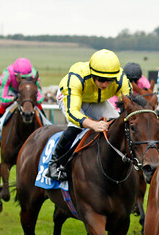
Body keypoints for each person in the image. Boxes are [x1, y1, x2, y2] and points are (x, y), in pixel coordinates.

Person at [45, 49, 131, 181]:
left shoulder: (121, 79)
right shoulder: (76, 78)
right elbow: (73, 113)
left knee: (116, 122)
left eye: (110, 80)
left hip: (97, 100)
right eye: (102, 80)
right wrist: (93, 124)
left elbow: (130, 105)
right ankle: (54, 162)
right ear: (92, 75)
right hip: (70, 98)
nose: (105, 84)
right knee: (76, 125)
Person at [0, 57, 44, 131]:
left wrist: (32, 100)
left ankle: (45, 122)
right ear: (15, 75)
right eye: (21, 77)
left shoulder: (34, 74)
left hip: (26, 92)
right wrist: (14, 98)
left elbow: (40, 97)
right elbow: (2, 99)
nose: (24, 80)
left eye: (27, 78)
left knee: (37, 103)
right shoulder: (7, 75)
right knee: (4, 104)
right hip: (12, 91)